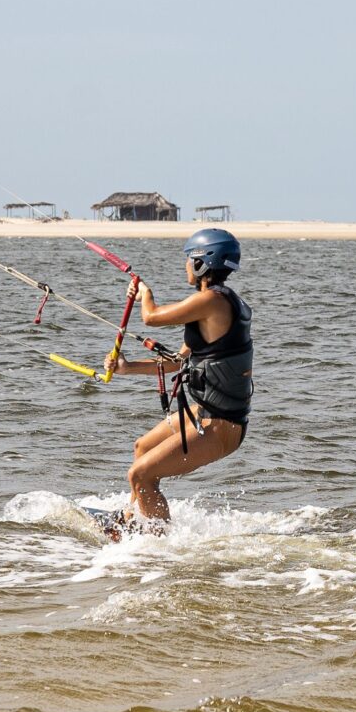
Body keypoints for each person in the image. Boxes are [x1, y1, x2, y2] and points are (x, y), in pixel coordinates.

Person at [112, 226, 253, 528]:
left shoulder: (212, 301)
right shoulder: (213, 308)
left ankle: (157, 546)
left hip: (220, 426)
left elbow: (151, 317)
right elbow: (177, 362)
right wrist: (127, 367)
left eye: (189, 259)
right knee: (142, 449)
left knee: (141, 475)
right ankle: (131, 520)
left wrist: (144, 294)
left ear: (203, 262)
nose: (185, 265)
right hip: (204, 414)